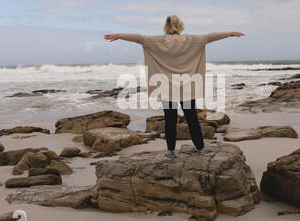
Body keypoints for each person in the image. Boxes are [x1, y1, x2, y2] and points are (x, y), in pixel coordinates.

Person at [104, 15, 244, 158]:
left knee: (170, 120)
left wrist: (120, 35)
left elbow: (139, 38)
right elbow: (210, 36)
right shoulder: (191, 40)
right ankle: (200, 148)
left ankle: (170, 151)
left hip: (166, 87)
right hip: (187, 87)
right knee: (192, 119)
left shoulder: (156, 41)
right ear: (180, 25)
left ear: (166, 26)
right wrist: (229, 33)